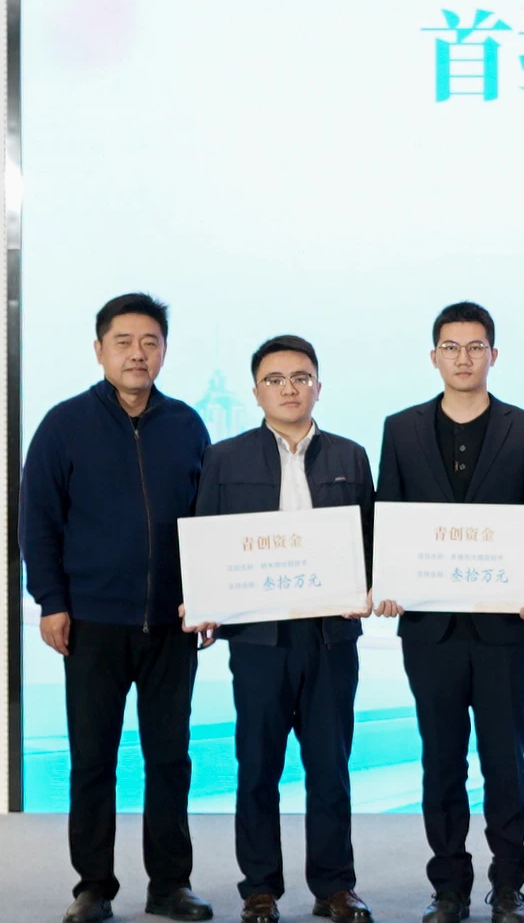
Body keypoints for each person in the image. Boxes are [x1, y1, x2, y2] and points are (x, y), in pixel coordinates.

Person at [20, 292, 216, 923]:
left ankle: (170, 885)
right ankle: (93, 887)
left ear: (164, 351)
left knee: (170, 759)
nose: (138, 354)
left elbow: (209, 522)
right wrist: (51, 601)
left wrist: (209, 596)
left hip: (171, 624)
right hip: (92, 622)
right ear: (99, 349)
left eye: (150, 342)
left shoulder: (188, 425)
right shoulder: (64, 424)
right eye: (124, 342)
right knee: (92, 760)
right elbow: (38, 520)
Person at [374, 301, 524, 923]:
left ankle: (509, 884)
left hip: (506, 625)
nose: (463, 358)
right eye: (451, 347)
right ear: (434, 356)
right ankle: (448, 884)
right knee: (441, 760)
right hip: (430, 629)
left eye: (475, 347)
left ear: (493, 355)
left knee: (506, 760)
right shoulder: (400, 429)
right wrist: (388, 582)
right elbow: (390, 516)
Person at [191, 336, 376, 923]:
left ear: (319, 386)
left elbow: (371, 540)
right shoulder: (225, 458)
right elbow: (206, 536)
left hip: (330, 638)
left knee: (330, 769)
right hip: (258, 641)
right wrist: (205, 599)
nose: (289, 389)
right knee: (257, 766)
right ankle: (260, 889)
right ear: (256, 392)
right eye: (275, 379)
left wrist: (371, 586)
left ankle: (335, 887)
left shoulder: (350, 456)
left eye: (301, 377)